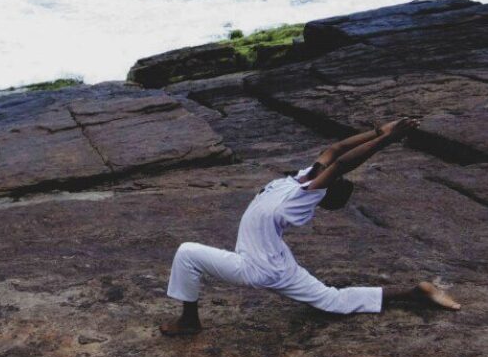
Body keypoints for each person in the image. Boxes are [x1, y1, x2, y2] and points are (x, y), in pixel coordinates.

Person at [161, 118, 461, 336]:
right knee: (333, 301)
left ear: (325, 190)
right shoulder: (298, 179)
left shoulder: (301, 196)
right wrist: (379, 130)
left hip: (257, 267)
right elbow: (336, 148)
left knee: (187, 253)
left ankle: (189, 322)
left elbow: (341, 163)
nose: (332, 173)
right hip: (278, 261)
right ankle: (415, 293)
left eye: (334, 180)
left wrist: (386, 141)